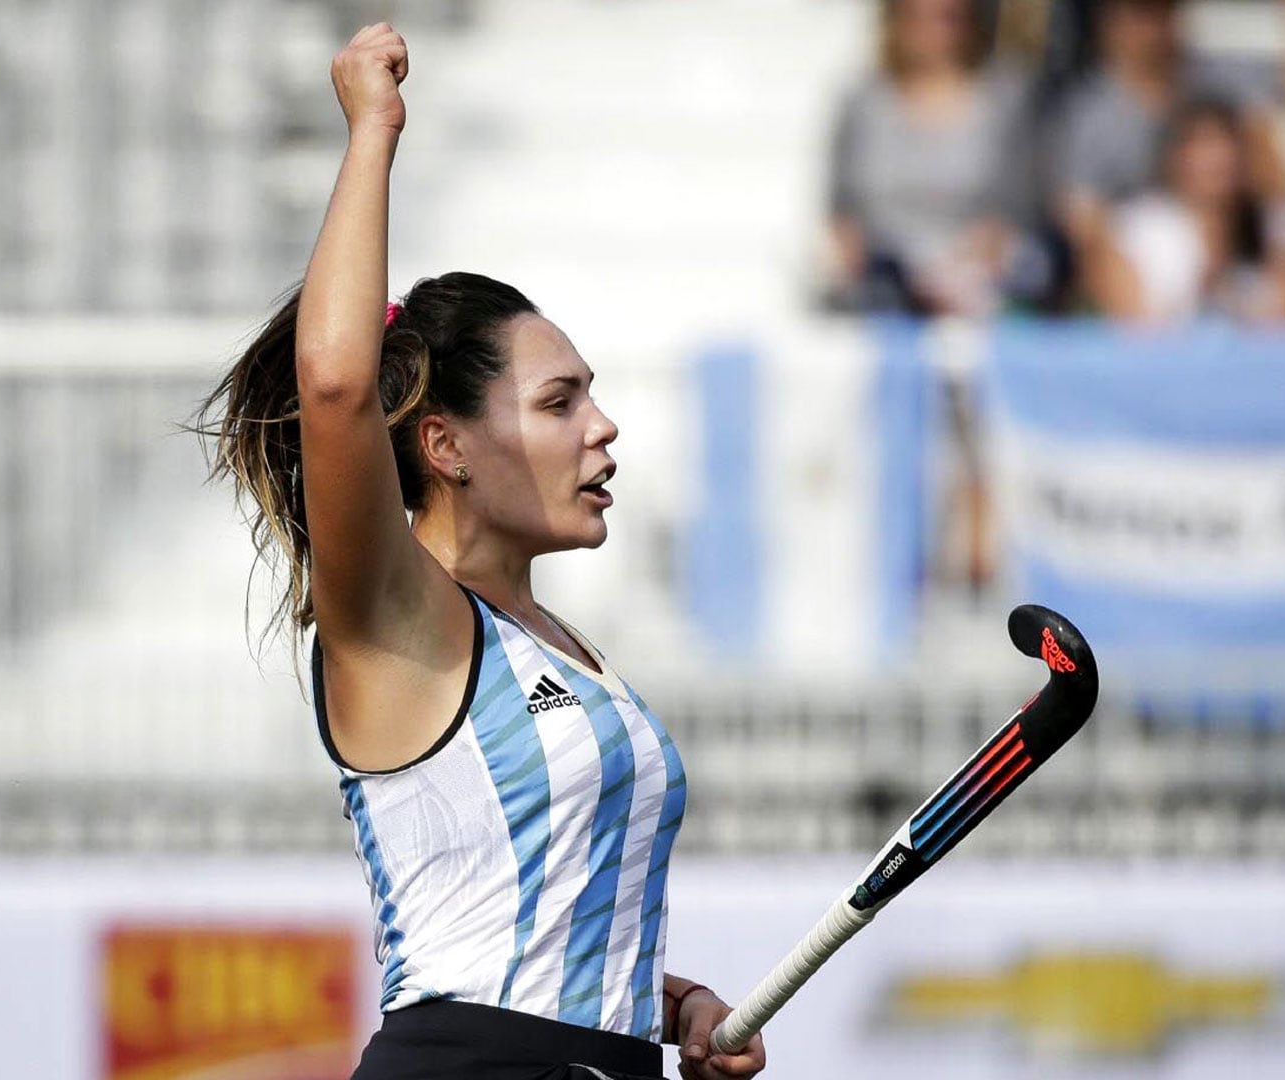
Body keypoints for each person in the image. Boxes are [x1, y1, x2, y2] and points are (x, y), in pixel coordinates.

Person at [196, 25, 766, 1080]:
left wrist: (668, 1001)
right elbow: (334, 385)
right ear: (445, 446)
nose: (605, 427)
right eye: (560, 402)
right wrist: (374, 127)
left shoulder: (559, 644)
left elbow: (522, 924)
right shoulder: (402, 616)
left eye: (591, 394)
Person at [1052, 0, 1285, 284]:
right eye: (1140, 17)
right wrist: (1123, 276)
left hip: (1225, 246)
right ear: (1112, 24)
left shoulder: (1215, 82)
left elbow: (1267, 167)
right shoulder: (1092, 113)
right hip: (1136, 257)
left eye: (1162, 14)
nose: (1152, 30)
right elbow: (1080, 213)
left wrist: (1283, 249)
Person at [825, 0, 1047, 315]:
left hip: (976, 277)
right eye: (916, 16)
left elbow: (1016, 210)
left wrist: (956, 269)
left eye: (947, 18)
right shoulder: (861, 100)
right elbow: (841, 210)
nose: (931, 31)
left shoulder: (1006, 97)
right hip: (882, 279)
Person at [1086, 100, 1285, 323]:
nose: (1220, 158)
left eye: (1230, 144)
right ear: (1176, 156)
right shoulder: (1135, 231)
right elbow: (1134, 327)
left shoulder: (1272, 227)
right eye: (1204, 144)